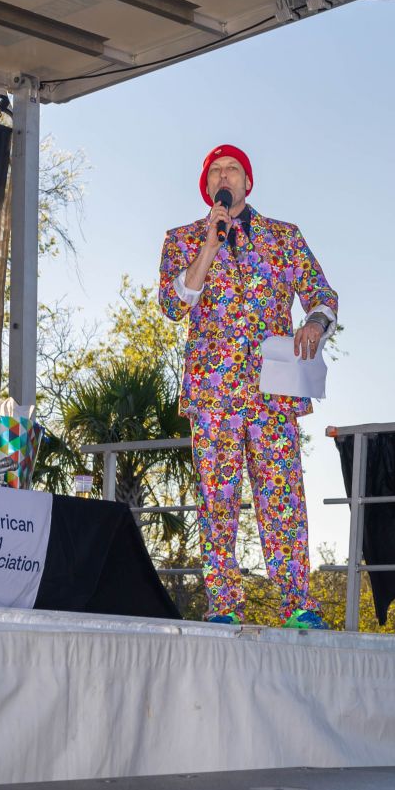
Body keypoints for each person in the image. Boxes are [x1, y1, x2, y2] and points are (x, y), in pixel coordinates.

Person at [158, 144, 338, 629]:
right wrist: (209, 247)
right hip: (212, 394)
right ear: (207, 186)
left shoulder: (284, 237)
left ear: (248, 182)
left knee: (282, 499)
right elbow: (173, 306)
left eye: (233, 169)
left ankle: (297, 604)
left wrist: (315, 323)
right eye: (215, 171)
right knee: (216, 500)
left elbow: (322, 294)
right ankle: (223, 604)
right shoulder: (182, 240)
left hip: (272, 392)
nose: (224, 176)